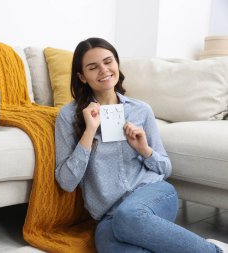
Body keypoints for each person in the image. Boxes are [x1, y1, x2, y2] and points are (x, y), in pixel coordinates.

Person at [54, 37, 228, 253]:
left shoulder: (141, 110)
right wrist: (89, 132)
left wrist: (144, 149)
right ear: (81, 76)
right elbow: (66, 182)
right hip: (109, 215)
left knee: (129, 217)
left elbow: (165, 168)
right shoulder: (68, 116)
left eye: (108, 62)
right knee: (113, 245)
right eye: (93, 67)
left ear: (117, 64)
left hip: (153, 193)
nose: (103, 70)